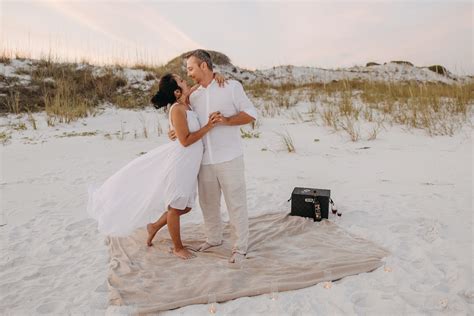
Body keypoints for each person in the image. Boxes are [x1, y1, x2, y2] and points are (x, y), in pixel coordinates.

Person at [87, 73, 222, 260]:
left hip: (191, 162)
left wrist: (216, 75)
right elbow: (185, 140)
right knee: (175, 206)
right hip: (181, 161)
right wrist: (208, 126)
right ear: (176, 91)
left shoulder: (187, 101)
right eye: (182, 80)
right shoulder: (177, 109)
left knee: (186, 207)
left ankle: (154, 226)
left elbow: (201, 84)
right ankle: (178, 247)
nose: (186, 81)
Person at [169, 49, 257, 263]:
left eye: (190, 68)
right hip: (204, 159)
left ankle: (240, 247)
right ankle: (213, 238)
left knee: (236, 203)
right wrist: (174, 131)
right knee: (208, 204)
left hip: (230, 157)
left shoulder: (231, 86)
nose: (188, 73)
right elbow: (183, 119)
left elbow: (251, 114)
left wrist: (226, 120)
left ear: (204, 66)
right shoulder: (193, 96)